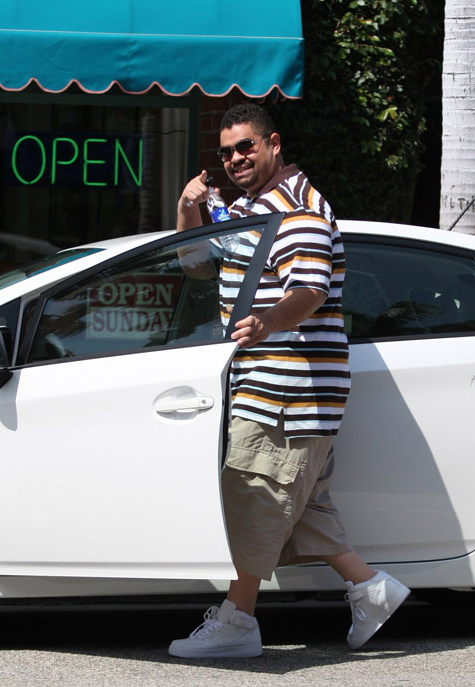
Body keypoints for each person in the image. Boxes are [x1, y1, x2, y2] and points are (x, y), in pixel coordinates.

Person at [168, 103, 409, 659]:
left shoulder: (299, 211)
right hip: (270, 382)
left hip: (288, 389)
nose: (234, 159)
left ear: (273, 143)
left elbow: (310, 290)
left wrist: (267, 321)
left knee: (254, 492)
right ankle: (370, 589)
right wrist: (188, 209)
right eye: (226, 151)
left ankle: (238, 621)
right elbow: (195, 264)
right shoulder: (248, 209)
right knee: (299, 504)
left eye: (246, 146)